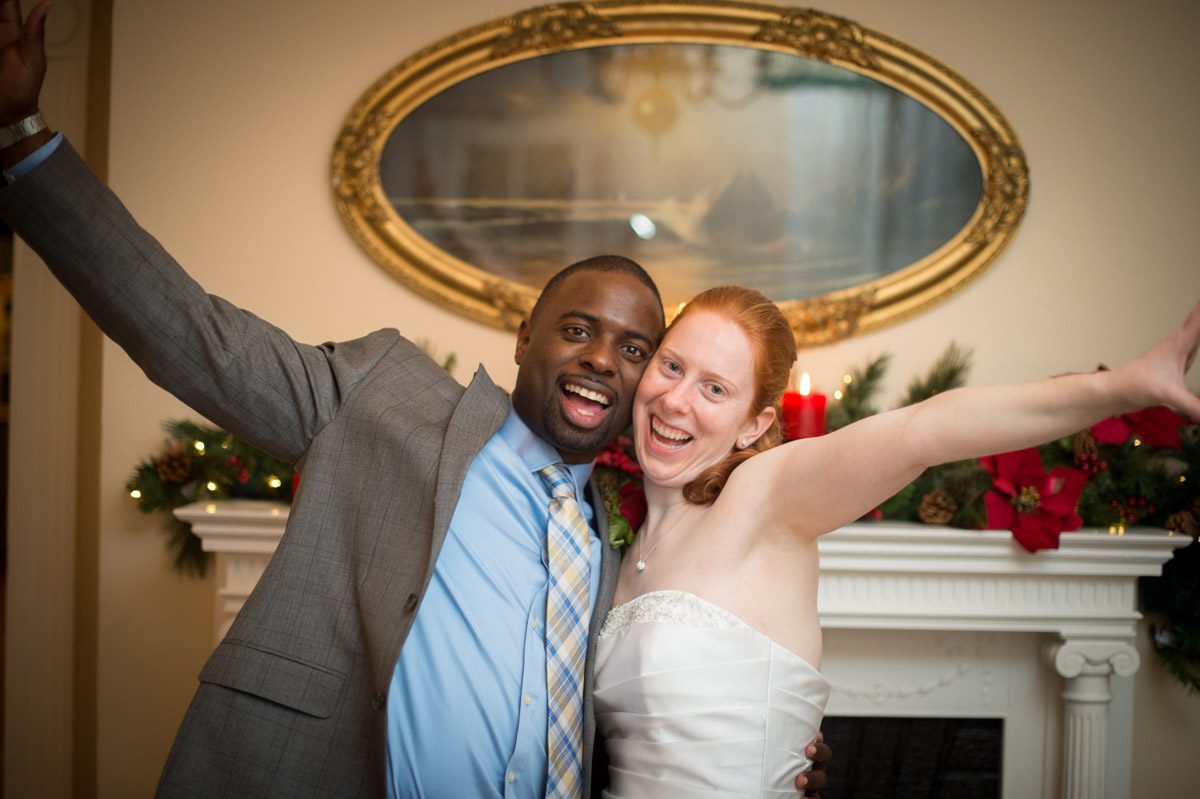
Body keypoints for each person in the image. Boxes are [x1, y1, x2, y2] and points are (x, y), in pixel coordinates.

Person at [0, 2, 834, 796]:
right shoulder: (381, 400)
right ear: (524, 337)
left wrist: (764, 752)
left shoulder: (618, 541)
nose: (602, 360)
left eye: (634, 348)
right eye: (578, 329)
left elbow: (637, 721)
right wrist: (21, 139)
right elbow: (196, 338)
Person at [591, 285, 1200, 796]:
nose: (675, 400)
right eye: (672, 367)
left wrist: (1124, 386)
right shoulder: (620, 541)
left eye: (715, 389)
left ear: (755, 425)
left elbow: (923, 431)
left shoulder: (763, 496)